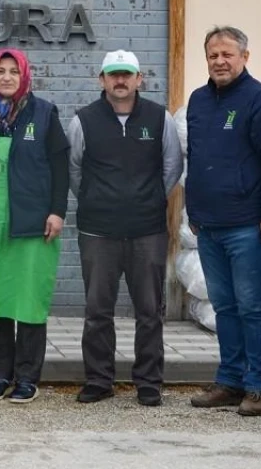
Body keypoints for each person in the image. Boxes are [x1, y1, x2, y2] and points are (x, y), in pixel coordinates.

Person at [186, 26, 261, 417]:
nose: (220, 61)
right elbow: (195, 160)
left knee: (252, 306)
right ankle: (230, 381)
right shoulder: (198, 101)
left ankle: (259, 387)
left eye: (227, 54)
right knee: (224, 307)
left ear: (245, 57)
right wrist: (194, 213)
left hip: (248, 226)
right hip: (209, 226)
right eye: (213, 55)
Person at [68, 49, 184, 407]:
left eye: (127, 74)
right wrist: (96, 200)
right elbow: (74, 171)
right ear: (102, 80)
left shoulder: (158, 118)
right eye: (113, 74)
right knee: (97, 310)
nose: (120, 80)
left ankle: (149, 383)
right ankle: (99, 380)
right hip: (98, 231)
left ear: (139, 79)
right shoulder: (83, 120)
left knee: (150, 311)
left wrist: (146, 199)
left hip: (147, 230)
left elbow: (172, 167)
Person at [0, 48, 70, 404]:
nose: (7, 77)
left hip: (33, 224)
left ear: (25, 75)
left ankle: (26, 378)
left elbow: (60, 166)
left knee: (28, 302)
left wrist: (58, 211)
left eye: (14, 71)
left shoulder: (43, 113)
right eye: (1, 71)